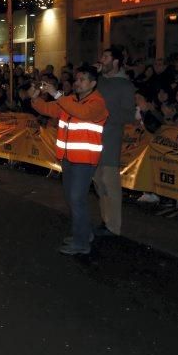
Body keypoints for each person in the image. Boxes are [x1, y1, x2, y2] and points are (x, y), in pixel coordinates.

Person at [29, 65, 109, 255]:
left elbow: (82, 113)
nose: (77, 83)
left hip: (85, 159)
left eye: (82, 80)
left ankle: (81, 243)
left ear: (93, 83)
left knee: (76, 199)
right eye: (77, 79)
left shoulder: (97, 102)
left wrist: (56, 94)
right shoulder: (69, 100)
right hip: (68, 157)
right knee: (73, 199)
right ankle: (84, 233)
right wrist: (35, 97)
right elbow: (48, 109)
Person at [93, 47, 136, 237]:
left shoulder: (125, 85)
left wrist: (104, 115)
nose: (101, 59)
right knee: (98, 182)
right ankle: (106, 220)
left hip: (110, 139)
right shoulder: (99, 81)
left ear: (116, 61)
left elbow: (128, 114)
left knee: (110, 183)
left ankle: (114, 226)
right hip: (94, 138)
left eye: (106, 56)